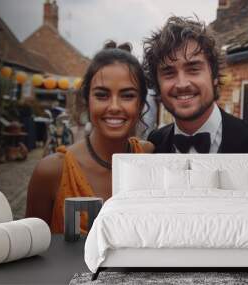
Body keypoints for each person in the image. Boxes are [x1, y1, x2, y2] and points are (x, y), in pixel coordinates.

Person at [143, 16, 248, 197]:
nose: (182, 83)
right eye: (168, 73)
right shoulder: (154, 145)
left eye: (193, 69)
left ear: (214, 76)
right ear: (158, 85)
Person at [26, 41, 154, 233]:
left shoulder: (149, 158)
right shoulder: (52, 172)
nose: (114, 106)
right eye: (102, 95)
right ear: (87, 100)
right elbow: (31, 251)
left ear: (141, 103)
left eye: (127, 96)